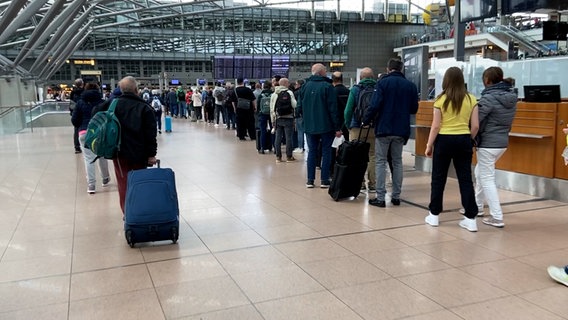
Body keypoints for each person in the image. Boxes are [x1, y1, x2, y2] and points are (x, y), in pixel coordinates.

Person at [92, 76, 157, 217]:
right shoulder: (145, 107)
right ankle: (140, 213)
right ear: (136, 90)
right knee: (139, 183)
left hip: (119, 152)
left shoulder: (113, 104)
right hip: (140, 154)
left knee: (123, 184)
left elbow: (95, 113)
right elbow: (150, 134)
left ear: (121, 90)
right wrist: (151, 154)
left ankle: (127, 214)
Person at [424, 67, 479, 232]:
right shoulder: (471, 99)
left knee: (438, 178)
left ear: (446, 81)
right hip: (464, 139)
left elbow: (435, 126)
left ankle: (434, 215)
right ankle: (470, 218)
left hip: (444, 140)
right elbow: (475, 125)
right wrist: (468, 139)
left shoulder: (441, 100)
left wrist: (429, 145)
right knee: (465, 179)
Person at [363, 58, 419, 207]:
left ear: (388, 69)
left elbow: (374, 105)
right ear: (401, 69)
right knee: (397, 161)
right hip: (401, 129)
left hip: (384, 128)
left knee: (381, 162)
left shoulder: (382, 83)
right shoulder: (410, 86)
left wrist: (366, 119)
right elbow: (414, 109)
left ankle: (380, 198)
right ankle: (396, 196)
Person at [471, 67, 517, 228]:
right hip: (501, 143)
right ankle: (476, 207)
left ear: (487, 81)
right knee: (480, 173)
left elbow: (477, 120)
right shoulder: (511, 97)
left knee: (487, 178)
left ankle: (497, 216)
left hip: (488, 143)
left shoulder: (488, 98)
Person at [297, 63, 342, 188]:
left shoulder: (304, 86)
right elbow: (333, 109)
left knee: (312, 151)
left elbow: (299, 107)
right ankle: (324, 180)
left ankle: (310, 180)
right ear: (322, 72)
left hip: (310, 126)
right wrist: (337, 127)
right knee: (326, 151)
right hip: (326, 126)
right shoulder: (328, 86)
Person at [71, 83, 110, 194]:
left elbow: (74, 120)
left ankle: (91, 185)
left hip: (84, 132)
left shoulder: (80, 103)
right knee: (102, 155)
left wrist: (81, 126)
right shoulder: (102, 102)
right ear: (98, 90)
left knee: (89, 159)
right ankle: (105, 178)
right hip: (100, 133)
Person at [344, 67, 377, 192]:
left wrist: (348, 124)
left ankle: (360, 183)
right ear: (372, 77)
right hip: (373, 127)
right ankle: (373, 184)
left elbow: (348, 110)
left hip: (356, 127)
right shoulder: (378, 89)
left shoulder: (355, 89)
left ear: (361, 78)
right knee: (372, 155)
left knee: (356, 155)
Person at [271, 78, 297, 162]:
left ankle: (278, 157)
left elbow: (272, 108)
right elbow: (294, 105)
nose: (289, 84)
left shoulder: (274, 93)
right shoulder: (289, 92)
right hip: (288, 118)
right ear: (285, 83)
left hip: (278, 118)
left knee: (277, 137)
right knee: (288, 138)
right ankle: (289, 157)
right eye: (288, 82)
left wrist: (272, 120)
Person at [257, 81, 273, 154]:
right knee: (273, 130)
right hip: (271, 114)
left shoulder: (261, 95)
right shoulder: (273, 94)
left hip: (262, 114)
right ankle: (272, 147)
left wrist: (258, 113)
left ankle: (262, 148)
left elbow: (258, 105)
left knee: (263, 130)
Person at [69, 78, 84, 154]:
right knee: (85, 129)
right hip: (83, 113)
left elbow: (71, 103)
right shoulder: (84, 92)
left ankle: (77, 147)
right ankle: (85, 146)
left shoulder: (73, 92)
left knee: (76, 130)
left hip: (75, 113)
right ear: (82, 84)